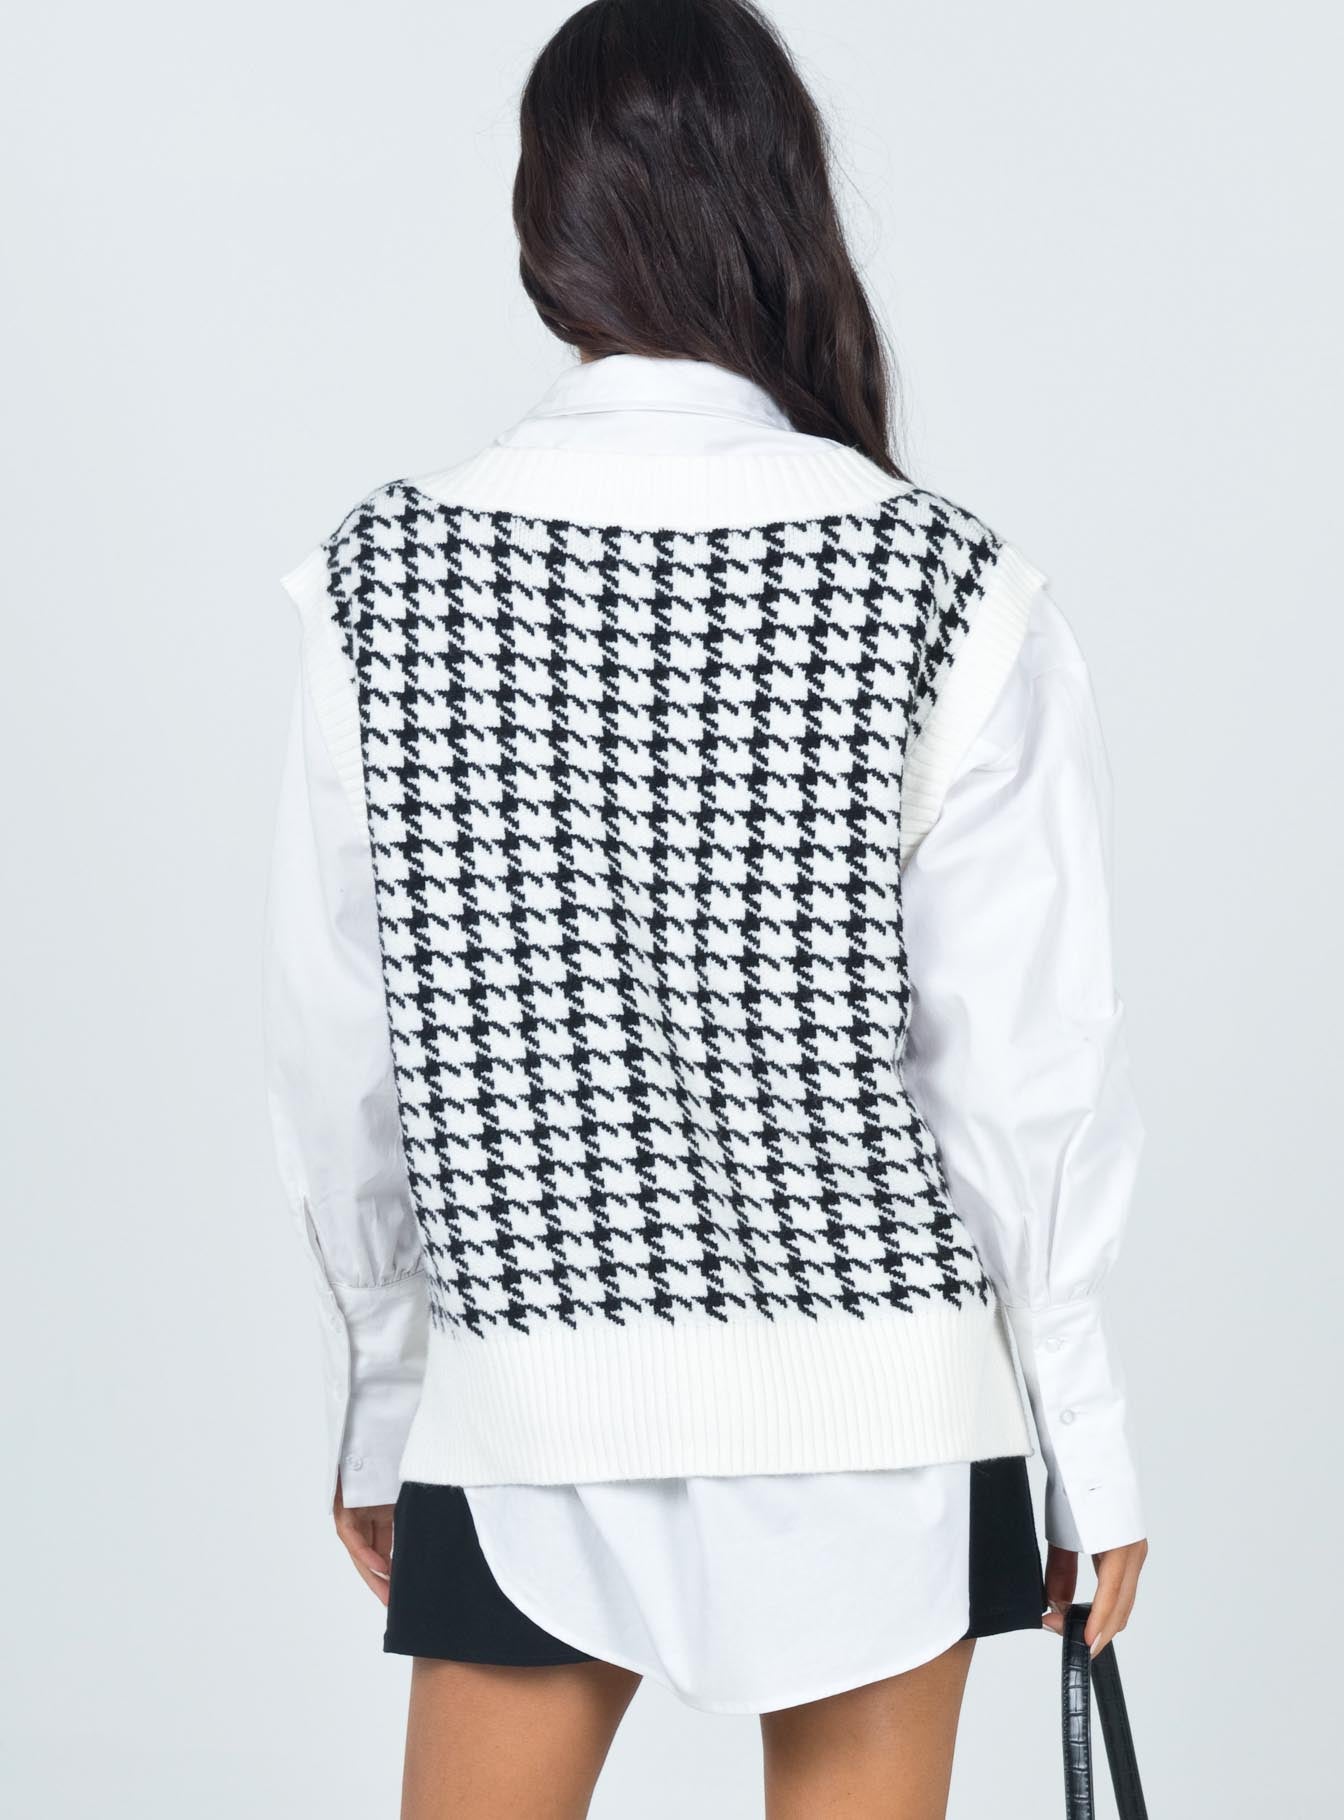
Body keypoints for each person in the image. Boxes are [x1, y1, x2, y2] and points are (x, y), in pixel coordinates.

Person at [263, 3, 1149, 1814]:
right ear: (779, 203)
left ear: (547, 222)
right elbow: (1022, 1067)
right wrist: (1087, 1434)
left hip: (531, 1399)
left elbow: (344, 1063)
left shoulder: (391, 582)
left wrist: (386, 1398)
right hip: (884, 1412)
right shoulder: (945, 583)